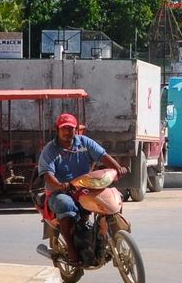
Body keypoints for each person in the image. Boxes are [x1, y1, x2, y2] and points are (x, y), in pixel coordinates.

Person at [39, 112, 123, 265]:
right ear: (57, 129)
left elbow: (102, 155)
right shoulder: (50, 150)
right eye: (64, 128)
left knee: (113, 198)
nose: (67, 132)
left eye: (70, 128)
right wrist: (60, 185)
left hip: (84, 187)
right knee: (66, 205)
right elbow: (47, 175)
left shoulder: (84, 143)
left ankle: (112, 240)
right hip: (59, 191)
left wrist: (118, 168)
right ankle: (72, 251)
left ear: (75, 129)